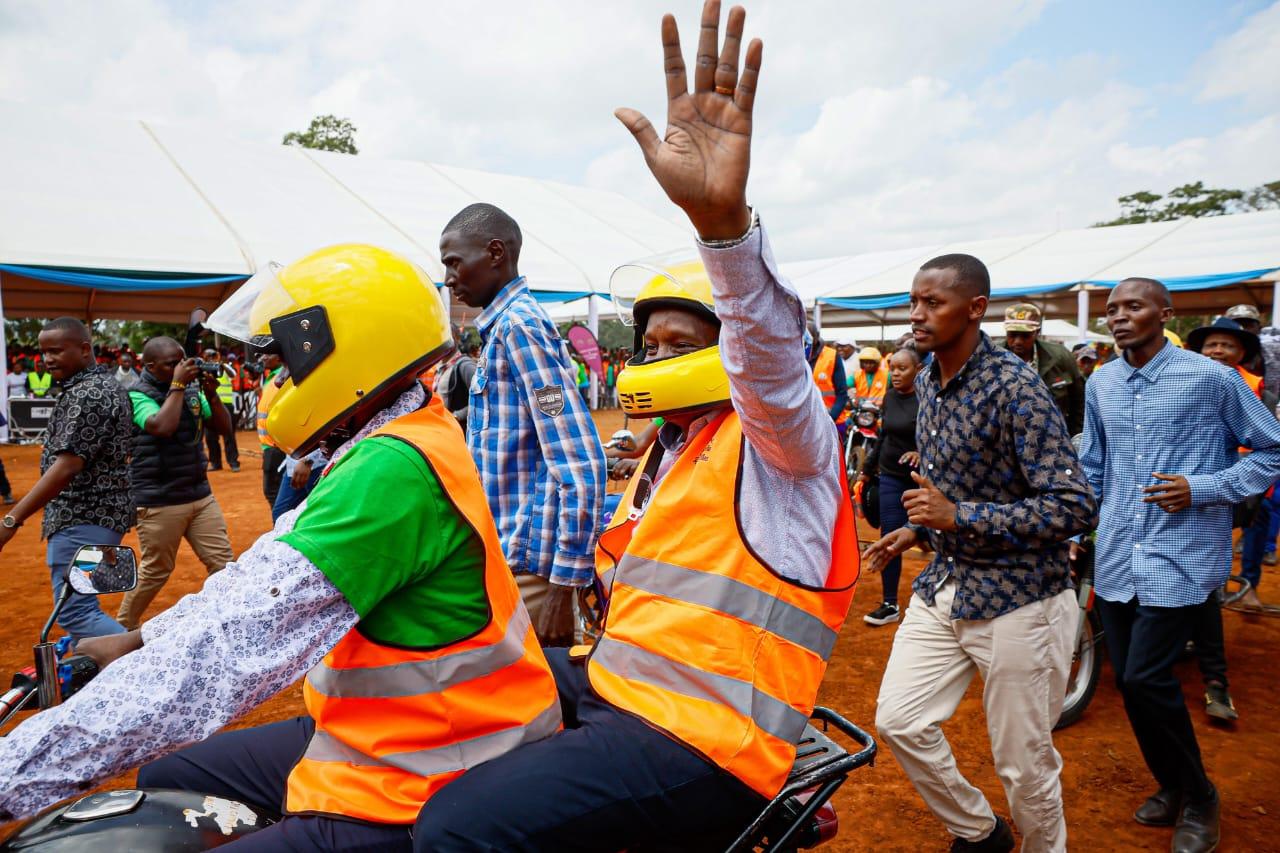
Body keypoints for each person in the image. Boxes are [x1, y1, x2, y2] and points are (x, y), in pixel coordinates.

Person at [413, 8, 857, 850]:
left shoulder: (781, 445)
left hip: (705, 736)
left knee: (456, 829)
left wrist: (723, 232)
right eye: (646, 343)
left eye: (679, 344)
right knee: (454, 688)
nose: (652, 361)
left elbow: (765, 361)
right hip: (625, 687)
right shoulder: (675, 442)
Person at [0, 246, 563, 849]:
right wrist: (140, 636)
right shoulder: (398, 431)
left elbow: (221, 657)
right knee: (169, 776)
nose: (279, 382)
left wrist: (13, 774)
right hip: (392, 725)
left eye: (287, 364)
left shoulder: (389, 472)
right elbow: (259, 580)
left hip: (432, 761)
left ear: (349, 349)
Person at [863, 255, 1096, 853]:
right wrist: (920, 532)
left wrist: (958, 517)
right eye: (914, 301)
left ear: (974, 308)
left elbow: (1074, 506)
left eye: (933, 303)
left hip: (1023, 600)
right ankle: (978, 830)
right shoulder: (931, 382)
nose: (917, 314)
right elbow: (958, 489)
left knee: (1024, 765)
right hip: (948, 583)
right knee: (899, 720)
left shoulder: (1017, 389)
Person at [1078, 278, 1280, 852]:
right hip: (1117, 551)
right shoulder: (1103, 382)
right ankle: (1172, 784)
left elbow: (1272, 447)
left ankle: (1201, 796)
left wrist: (1205, 487)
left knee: (1143, 676)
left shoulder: (1210, 377)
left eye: (1133, 306)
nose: (1118, 317)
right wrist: (1075, 528)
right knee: (1138, 686)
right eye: (1112, 308)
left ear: (1164, 314)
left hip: (1182, 556)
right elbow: (1094, 463)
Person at [440, 202, 606, 645]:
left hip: (536, 571)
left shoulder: (521, 329)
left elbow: (579, 459)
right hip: (510, 557)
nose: (449, 278)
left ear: (495, 253)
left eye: (454, 263)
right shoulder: (503, 330)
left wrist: (563, 583)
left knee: (543, 701)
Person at [0, 318, 133, 641]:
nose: (47, 359)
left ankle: (148, 668)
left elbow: (67, 467)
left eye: (56, 351)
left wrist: (11, 520)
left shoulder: (89, 394)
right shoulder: (94, 387)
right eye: (44, 352)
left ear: (85, 349)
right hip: (94, 518)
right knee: (81, 615)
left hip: (82, 518)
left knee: (77, 613)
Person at [116, 337, 235, 630]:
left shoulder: (193, 390)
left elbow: (224, 428)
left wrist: (212, 395)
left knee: (224, 565)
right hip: (160, 500)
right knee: (156, 570)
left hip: (199, 494)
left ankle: (228, 622)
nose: (181, 367)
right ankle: (122, 627)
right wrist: (178, 386)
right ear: (151, 366)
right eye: (172, 364)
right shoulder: (136, 393)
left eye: (182, 361)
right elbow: (161, 426)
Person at [1185, 317, 1266, 707]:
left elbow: (1264, 448)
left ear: (1241, 353)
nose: (1217, 352)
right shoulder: (1185, 383)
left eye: (1226, 346)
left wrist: (1225, 486)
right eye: (1210, 345)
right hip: (1174, 499)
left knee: (1206, 590)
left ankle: (1216, 681)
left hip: (1226, 495)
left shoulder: (1249, 388)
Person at [859, 344, 922, 627]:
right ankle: (889, 603)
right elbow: (883, 436)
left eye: (902, 368)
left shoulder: (928, 399)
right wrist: (866, 471)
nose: (895, 374)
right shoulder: (891, 397)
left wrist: (923, 454)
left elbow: (940, 437)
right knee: (891, 535)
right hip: (890, 476)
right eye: (893, 368)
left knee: (931, 538)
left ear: (918, 370)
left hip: (921, 481)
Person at [1001, 303, 1086, 436]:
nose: (1017, 341)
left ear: (1037, 333)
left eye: (1025, 335)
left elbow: (1080, 401)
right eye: (1012, 334)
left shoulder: (1061, 356)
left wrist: (1075, 437)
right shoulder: (991, 358)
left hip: (1054, 439)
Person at [201, 348, 240, 472]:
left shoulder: (223, 367)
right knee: (210, 437)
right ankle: (215, 463)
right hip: (208, 406)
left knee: (229, 435)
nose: (211, 357)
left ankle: (233, 462)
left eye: (213, 355)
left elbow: (233, 374)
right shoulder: (201, 369)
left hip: (226, 405)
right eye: (208, 356)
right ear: (203, 357)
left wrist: (221, 363)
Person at [807, 322, 850, 434]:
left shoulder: (831, 356)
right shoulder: (794, 355)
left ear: (816, 337)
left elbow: (842, 394)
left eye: (808, 338)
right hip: (804, 423)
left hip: (831, 420)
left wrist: (830, 419)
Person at [257, 353, 286, 507]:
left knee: (272, 491)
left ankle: (281, 527)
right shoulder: (272, 377)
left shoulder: (283, 377)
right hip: (270, 445)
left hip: (275, 446)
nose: (263, 357)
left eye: (269, 353)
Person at [436, 337, 479, 429]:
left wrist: (457, 416)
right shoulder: (443, 366)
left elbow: (483, 400)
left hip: (461, 431)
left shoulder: (466, 366)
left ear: (455, 339)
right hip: (446, 428)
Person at [1224, 303, 1266, 378]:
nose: (1242, 330)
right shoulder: (1214, 353)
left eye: (1248, 325)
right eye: (1235, 325)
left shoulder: (1271, 356)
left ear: (1259, 329)